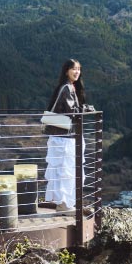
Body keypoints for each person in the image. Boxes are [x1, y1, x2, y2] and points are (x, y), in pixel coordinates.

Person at [43, 59, 90, 211]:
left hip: (63, 137)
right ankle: (63, 205)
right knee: (66, 170)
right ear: (66, 71)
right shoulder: (67, 88)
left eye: (79, 69)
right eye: (73, 69)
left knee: (65, 171)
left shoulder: (69, 87)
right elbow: (72, 112)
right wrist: (85, 110)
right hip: (64, 138)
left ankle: (65, 204)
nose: (77, 72)